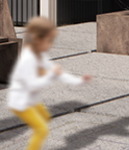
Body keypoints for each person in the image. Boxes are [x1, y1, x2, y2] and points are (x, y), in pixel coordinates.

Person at [7, 16, 89, 150]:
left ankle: (33, 139)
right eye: (49, 40)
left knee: (45, 117)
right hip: (20, 102)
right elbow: (32, 85)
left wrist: (79, 80)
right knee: (42, 130)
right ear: (38, 39)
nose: (52, 44)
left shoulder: (41, 56)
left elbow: (59, 73)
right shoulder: (28, 60)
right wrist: (51, 74)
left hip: (31, 100)